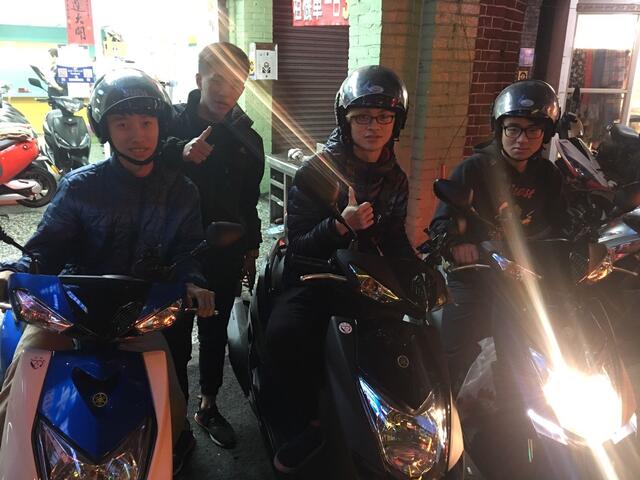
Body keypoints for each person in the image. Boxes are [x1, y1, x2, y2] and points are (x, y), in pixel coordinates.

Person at [0, 68, 215, 476]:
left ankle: (170, 450)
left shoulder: (182, 191)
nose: (137, 135)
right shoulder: (79, 186)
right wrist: (15, 271)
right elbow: (46, 248)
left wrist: (193, 283)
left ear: (160, 125)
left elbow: (188, 250)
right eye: (123, 124)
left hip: (135, 312)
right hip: (67, 309)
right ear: (105, 130)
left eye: (146, 123)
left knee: (170, 396)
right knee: (21, 377)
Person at [264, 65, 416, 473]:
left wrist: (418, 273)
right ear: (346, 121)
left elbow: (394, 237)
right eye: (362, 117)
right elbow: (298, 246)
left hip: (365, 279)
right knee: (285, 334)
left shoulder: (395, 178)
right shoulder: (318, 169)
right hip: (316, 277)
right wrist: (339, 226)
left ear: (396, 123)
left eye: (383, 117)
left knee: (404, 338)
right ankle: (300, 425)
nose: (373, 127)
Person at [428, 79, 566, 393]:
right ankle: (447, 402)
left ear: (545, 134)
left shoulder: (549, 176)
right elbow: (441, 223)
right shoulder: (474, 169)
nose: (522, 139)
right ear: (499, 128)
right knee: (455, 349)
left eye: (533, 130)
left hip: (526, 279)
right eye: (513, 128)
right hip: (475, 275)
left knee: (547, 345)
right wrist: (458, 244)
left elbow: (561, 225)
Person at [160, 41, 264, 449]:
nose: (226, 91)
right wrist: (179, 152)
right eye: (218, 80)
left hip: (225, 251)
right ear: (199, 79)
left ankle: (208, 406)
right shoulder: (167, 123)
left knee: (215, 331)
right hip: (172, 255)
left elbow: (248, 202)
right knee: (173, 338)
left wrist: (251, 249)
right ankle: (174, 418)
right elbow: (137, 162)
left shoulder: (247, 138)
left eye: (236, 83)